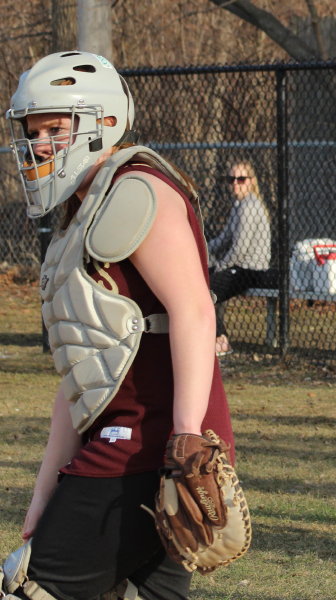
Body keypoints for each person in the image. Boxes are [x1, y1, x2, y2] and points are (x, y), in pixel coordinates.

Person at [2, 51, 234, 599]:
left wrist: (185, 441)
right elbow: (82, 371)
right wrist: (44, 495)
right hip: (122, 437)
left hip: (150, 445)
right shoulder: (85, 208)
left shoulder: (136, 191)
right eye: (33, 133)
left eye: (55, 129)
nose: (41, 146)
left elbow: (194, 311)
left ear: (104, 121)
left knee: (33, 589)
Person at [207, 160, 273, 356]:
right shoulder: (239, 205)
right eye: (231, 179)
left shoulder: (249, 206)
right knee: (200, 283)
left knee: (206, 291)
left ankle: (221, 340)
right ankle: (218, 338)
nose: (235, 183)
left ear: (251, 181)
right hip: (238, 267)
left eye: (241, 179)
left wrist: (220, 267)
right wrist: (199, 249)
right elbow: (223, 238)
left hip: (250, 270)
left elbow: (239, 249)